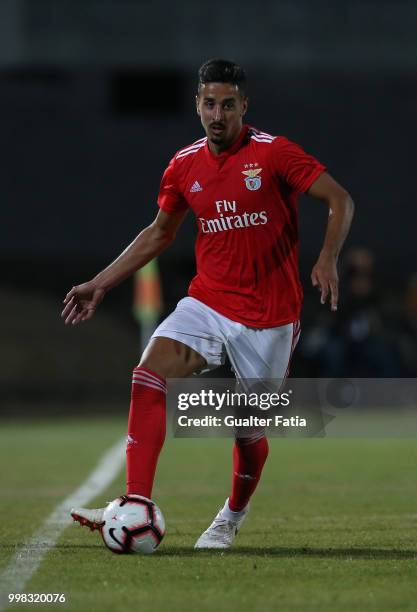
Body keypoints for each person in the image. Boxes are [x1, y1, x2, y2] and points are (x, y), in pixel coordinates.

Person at [62, 59, 354, 549]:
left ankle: (230, 518)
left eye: (228, 105)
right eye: (209, 104)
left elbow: (340, 199)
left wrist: (327, 257)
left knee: (246, 431)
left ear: (244, 107)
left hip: (269, 319)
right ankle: (136, 502)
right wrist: (101, 282)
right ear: (197, 105)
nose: (217, 114)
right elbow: (159, 233)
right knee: (147, 374)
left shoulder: (274, 153)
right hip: (208, 303)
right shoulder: (183, 165)